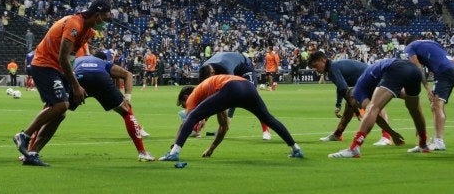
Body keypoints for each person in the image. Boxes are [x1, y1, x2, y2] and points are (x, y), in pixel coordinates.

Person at [13, 0, 113, 167]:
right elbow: (63, 57)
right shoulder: (75, 24)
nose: (106, 23)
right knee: (61, 105)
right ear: (97, 16)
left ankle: (32, 153)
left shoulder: (87, 31)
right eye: (106, 18)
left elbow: (71, 57)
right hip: (44, 64)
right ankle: (24, 135)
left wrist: (72, 78)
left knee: (60, 113)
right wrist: (75, 85)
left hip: (57, 68)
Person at [158, 75, 304, 162]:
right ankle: (296, 149)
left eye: (183, 105)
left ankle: (174, 154)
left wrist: (174, 147)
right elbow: (224, 127)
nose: (186, 107)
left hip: (231, 87)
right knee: (268, 118)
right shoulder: (215, 95)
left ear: (185, 98)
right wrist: (211, 149)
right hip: (248, 86)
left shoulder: (194, 95)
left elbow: (189, 121)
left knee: (194, 116)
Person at [328, 58, 427, 158]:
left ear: (352, 98)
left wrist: (392, 134)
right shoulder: (376, 84)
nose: (358, 106)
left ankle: (354, 148)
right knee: (414, 109)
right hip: (414, 70)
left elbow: (372, 111)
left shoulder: (358, 91)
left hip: (396, 68)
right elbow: (404, 96)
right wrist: (417, 121)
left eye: (354, 104)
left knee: (372, 108)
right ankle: (423, 144)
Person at [63, 54, 154, 161]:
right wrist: (127, 99)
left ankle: (37, 147)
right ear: (104, 59)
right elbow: (128, 74)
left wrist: (65, 94)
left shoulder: (77, 60)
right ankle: (142, 153)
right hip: (100, 78)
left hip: (79, 79)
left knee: (56, 109)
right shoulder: (103, 63)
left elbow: (64, 73)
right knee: (127, 112)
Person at [307, 50, 395, 146]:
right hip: (367, 80)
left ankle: (386, 137)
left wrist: (355, 109)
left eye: (315, 66)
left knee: (376, 106)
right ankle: (337, 134)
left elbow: (343, 88)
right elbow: (341, 87)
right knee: (349, 105)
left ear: (322, 60)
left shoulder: (332, 68)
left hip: (373, 78)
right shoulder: (332, 68)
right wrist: (339, 104)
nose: (316, 69)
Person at [199, 51, 273, 140]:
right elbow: (208, 96)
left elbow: (232, 93)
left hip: (244, 67)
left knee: (252, 98)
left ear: (213, 73)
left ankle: (266, 130)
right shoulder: (203, 72)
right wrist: (203, 117)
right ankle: (220, 127)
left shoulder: (225, 69)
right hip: (230, 66)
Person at [404, 37, 454, 151]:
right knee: (436, 106)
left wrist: (427, 87)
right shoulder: (430, 42)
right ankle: (437, 139)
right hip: (453, 70)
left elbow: (418, 67)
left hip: (444, 72)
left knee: (436, 105)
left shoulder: (410, 47)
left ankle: (439, 141)